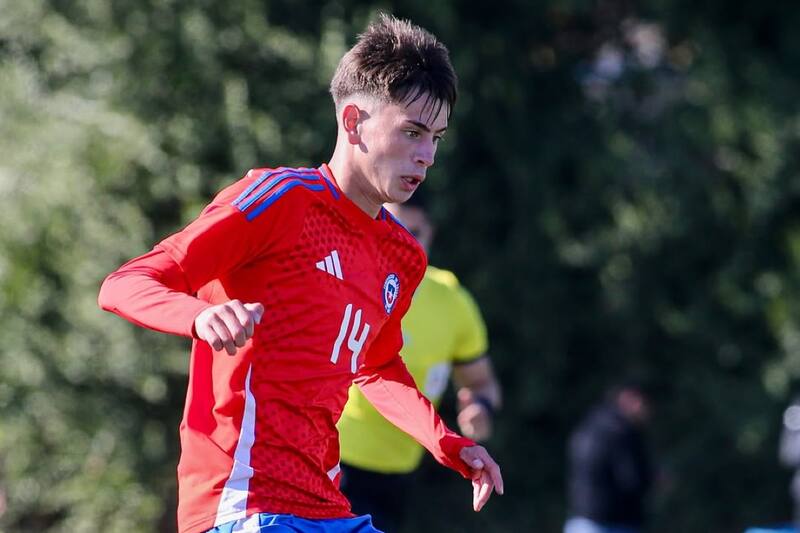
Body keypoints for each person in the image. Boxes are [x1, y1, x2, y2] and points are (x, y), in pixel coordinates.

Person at [97, 13, 502, 533]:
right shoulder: (279, 200)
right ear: (353, 121)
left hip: (324, 503)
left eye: (437, 138)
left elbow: (377, 368)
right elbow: (125, 283)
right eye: (413, 132)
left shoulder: (403, 257)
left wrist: (447, 443)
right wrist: (199, 316)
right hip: (240, 504)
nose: (426, 156)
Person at [337, 194, 502, 531]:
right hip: (334, 459)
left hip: (400, 472)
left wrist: (481, 408)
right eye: (395, 228)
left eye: (415, 232)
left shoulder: (453, 301)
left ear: (432, 234)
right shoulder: (346, 277)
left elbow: (483, 383)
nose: (405, 242)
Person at [565, 382, 654, 533]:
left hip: (580, 523)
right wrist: (653, 478)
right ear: (628, 398)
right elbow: (632, 479)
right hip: (615, 524)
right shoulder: (623, 432)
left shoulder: (588, 426)